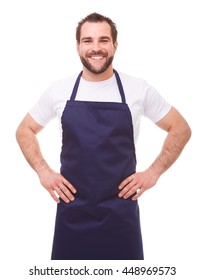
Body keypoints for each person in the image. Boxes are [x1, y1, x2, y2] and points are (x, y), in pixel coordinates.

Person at [16, 12, 191, 260]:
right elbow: (24, 130)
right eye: (87, 41)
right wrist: (43, 171)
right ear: (78, 46)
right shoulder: (59, 90)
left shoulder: (137, 89)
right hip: (72, 215)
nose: (95, 48)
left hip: (121, 217)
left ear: (115, 45)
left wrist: (154, 172)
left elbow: (181, 128)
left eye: (103, 40)